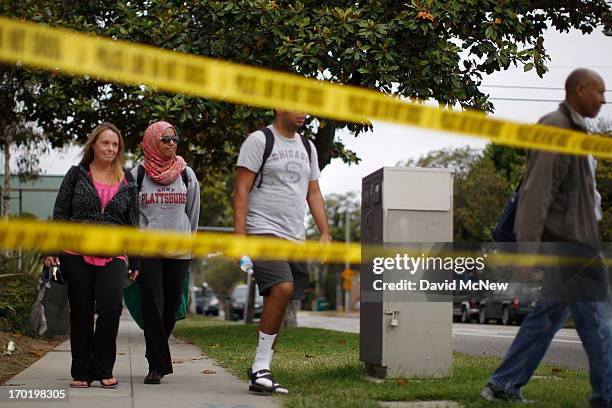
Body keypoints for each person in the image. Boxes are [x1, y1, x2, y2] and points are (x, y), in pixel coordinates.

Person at [481, 69, 612, 407]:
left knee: (547, 319)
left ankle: (502, 385)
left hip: (577, 243)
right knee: (599, 325)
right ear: (580, 90)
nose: (603, 99)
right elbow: (535, 195)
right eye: (599, 92)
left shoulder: (577, 131)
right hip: (570, 247)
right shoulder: (555, 127)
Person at [233, 110, 330, 394]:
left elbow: (313, 193)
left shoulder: (308, 147)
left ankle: (260, 369)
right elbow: (241, 189)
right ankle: (261, 367)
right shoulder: (259, 141)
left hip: (294, 236)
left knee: (281, 295)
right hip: (262, 229)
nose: (304, 112)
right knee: (283, 288)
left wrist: (324, 233)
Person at [44, 122, 140, 389]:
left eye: (115, 144)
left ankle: (104, 369)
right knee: (82, 312)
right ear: (94, 145)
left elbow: (132, 223)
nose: (110, 148)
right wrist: (52, 250)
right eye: (105, 143)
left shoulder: (127, 180)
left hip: (113, 256)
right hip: (76, 254)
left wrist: (137, 258)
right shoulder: (76, 175)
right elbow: (60, 213)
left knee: (110, 309)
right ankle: (81, 372)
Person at [131, 121, 200, 385]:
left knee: (170, 309)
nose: (172, 143)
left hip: (179, 251)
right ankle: (156, 366)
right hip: (148, 251)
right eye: (166, 139)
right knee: (153, 306)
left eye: (175, 139)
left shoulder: (186, 174)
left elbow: (192, 213)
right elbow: (132, 216)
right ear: (151, 142)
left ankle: (154, 351)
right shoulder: (137, 175)